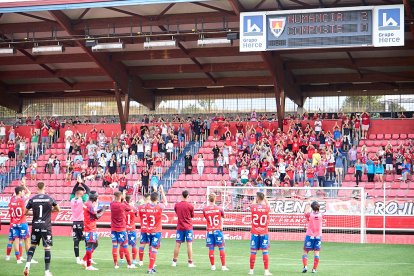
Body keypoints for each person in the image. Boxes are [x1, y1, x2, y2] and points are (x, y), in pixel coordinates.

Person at [23, 182, 60, 276]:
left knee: (33, 246)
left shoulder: (32, 199)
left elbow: (25, 212)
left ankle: (27, 265)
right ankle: (47, 271)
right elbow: (58, 209)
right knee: (47, 248)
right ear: (44, 187)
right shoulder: (49, 198)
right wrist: (48, 211)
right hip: (46, 226)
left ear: (37, 188)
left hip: (36, 226)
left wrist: (34, 213)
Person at [141, 187, 167, 274]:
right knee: (154, 249)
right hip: (156, 231)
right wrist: (162, 192)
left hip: (148, 231)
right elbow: (166, 203)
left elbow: (143, 204)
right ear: (157, 199)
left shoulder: (147, 206)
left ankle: (151, 266)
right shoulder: (159, 207)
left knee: (150, 248)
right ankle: (150, 268)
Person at [81, 191, 108, 271]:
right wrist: (103, 210)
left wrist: (101, 209)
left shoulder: (88, 204)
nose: (97, 198)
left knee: (95, 244)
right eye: (97, 197)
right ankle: (88, 265)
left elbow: (93, 213)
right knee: (90, 245)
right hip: (90, 228)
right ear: (94, 197)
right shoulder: (89, 205)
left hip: (91, 227)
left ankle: (84, 260)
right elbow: (96, 216)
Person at [202, 193, 229, 271]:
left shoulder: (205, 209)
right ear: (215, 199)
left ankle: (213, 266)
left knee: (211, 248)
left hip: (210, 231)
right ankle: (223, 266)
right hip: (218, 230)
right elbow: (224, 216)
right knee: (221, 247)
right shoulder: (219, 208)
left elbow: (205, 217)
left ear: (208, 199)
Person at [110, 191, 136, 269]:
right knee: (125, 246)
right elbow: (129, 208)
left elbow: (114, 201)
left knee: (114, 246)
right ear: (120, 196)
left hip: (113, 228)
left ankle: (116, 264)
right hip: (121, 229)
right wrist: (124, 200)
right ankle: (129, 264)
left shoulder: (111, 204)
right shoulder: (123, 205)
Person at [6, 184, 31, 263]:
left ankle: (18, 259)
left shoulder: (12, 199)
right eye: (22, 191)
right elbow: (29, 193)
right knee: (26, 239)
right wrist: (25, 186)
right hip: (22, 222)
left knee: (16, 240)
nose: (23, 192)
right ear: (19, 192)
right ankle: (29, 258)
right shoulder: (21, 199)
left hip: (14, 223)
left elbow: (9, 206)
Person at [249, 192, 272, 276]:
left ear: (257, 198)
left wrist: (256, 199)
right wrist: (264, 198)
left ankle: (251, 270)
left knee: (253, 251)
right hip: (264, 232)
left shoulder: (253, 207)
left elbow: (252, 204)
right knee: (265, 251)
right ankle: (266, 271)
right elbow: (269, 205)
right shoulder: (266, 207)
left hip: (254, 232)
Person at [172, 190, 195, 267]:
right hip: (188, 227)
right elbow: (192, 216)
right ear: (188, 196)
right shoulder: (190, 206)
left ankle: (174, 262)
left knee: (177, 244)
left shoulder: (177, 205)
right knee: (189, 244)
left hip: (180, 227)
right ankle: (190, 263)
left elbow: (176, 213)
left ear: (181, 195)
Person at [70, 180, 90, 264]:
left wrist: (77, 183)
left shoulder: (72, 199)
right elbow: (88, 190)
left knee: (76, 241)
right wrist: (82, 182)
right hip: (82, 222)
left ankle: (77, 259)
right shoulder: (82, 199)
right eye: (82, 191)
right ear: (79, 193)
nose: (84, 192)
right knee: (87, 240)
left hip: (74, 222)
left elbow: (73, 191)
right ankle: (87, 258)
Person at [302, 201, 323, 274]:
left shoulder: (310, 215)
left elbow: (305, 212)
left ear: (312, 207)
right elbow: (317, 211)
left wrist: (307, 205)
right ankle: (314, 269)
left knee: (305, 251)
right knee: (316, 253)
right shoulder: (321, 215)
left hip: (310, 235)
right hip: (318, 236)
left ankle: (305, 266)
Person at [122, 195, 138, 265]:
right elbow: (137, 215)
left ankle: (122, 259)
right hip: (132, 228)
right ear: (130, 201)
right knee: (133, 244)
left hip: (124, 228)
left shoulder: (123, 207)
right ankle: (134, 260)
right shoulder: (134, 208)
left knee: (122, 244)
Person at [137, 194, 150, 267]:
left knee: (142, 245)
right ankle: (152, 262)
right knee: (151, 246)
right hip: (150, 229)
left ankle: (141, 261)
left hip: (143, 228)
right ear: (149, 198)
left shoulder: (140, 207)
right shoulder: (151, 207)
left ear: (143, 198)